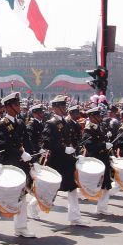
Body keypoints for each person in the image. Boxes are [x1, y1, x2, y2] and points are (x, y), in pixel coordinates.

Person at [0, 92, 35, 238]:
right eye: (16, 104)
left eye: (19, 104)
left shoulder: (20, 123)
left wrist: (32, 158)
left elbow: (27, 142)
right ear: (8, 107)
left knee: (21, 195)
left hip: (20, 164)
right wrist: (20, 153)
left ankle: (21, 227)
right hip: (8, 164)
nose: (19, 107)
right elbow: (3, 145)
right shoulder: (0, 125)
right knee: (1, 195)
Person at [42, 95, 88, 226]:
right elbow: (47, 142)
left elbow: (71, 140)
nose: (64, 108)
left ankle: (74, 217)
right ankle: (33, 206)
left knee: (72, 188)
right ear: (54, 108)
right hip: (56, 161)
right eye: (61, 106)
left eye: (64, 106)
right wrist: (63, 149)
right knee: (50, 190)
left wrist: (75, 152)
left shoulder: (66, 123)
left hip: (67, 160)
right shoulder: (50, 123)